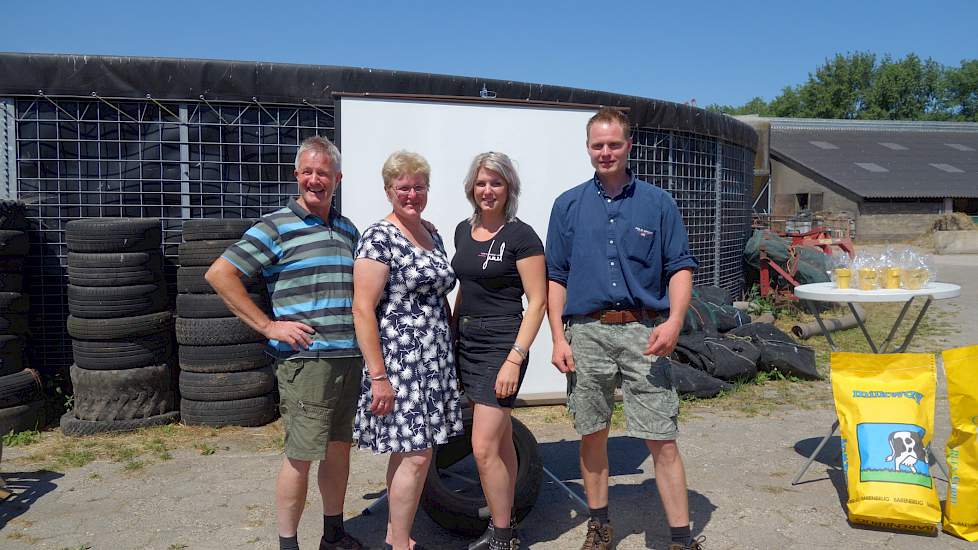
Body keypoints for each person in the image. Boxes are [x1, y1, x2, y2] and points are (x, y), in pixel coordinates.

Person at [545, 108, 703, 550]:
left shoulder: (657, 203)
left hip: (644, 333)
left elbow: (680, 266)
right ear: (588, 147)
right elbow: (555, 275)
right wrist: (558, 337)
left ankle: (680, 538)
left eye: (614, 144)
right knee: (592, 432)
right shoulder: (568, 205)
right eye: (598, 145)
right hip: (588, 333)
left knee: (662, 437)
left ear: (629, 146)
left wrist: (674, 320)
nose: (606, 152)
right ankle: (599, 524)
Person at [206, 136, 365, 550]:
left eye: (324, 174)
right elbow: (221, 274)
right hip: (306, 362)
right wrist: (268, 326)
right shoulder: (274, 226)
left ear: (338, 178)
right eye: (308, 172)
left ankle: (333, 534)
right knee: (301, 455)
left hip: (348, 358)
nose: (316, 180)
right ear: (297, 175)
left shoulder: (348, 229)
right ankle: (288, 543)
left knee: (338, 451)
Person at [351, 150, 463, 550]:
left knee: (415, 453)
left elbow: (440, 294)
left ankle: (397, 534)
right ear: (388, 190)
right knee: (414, 455)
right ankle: (399, 543)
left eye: (418, 187)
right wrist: (378, 376)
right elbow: (362, 309)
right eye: (403, 188)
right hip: (400, 362)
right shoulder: (379, 236)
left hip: (434, 358)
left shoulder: (432, 232)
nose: (411, 194)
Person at [451, 152, 547, 550]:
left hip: (502, 344)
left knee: (483, 446)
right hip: (467, 341)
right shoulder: (462, 230)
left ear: (510, 188)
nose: (487, 191)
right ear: (472, 188)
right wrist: (452, 336)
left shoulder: (522, 236)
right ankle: (506, 525)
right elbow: (464, 290)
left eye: (496, 183)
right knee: (503, 441)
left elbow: (538, 301)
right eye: (481, 183)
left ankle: (502, 537)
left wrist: (515, 357)